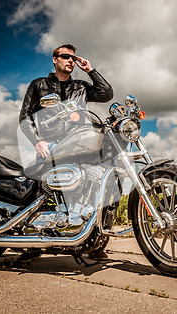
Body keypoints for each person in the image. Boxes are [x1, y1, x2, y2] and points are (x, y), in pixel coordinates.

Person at [19, 44, 113, 261]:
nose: (70, 60)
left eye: (73, 57)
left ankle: (92, 242)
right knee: (38, 192)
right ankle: (29, 244)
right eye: (65, 56)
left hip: (78, 145)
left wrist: (91, 70)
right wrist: (37, 141)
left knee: (90, 189)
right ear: (54, 59)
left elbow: (106, 93)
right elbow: (25, 116)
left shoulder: (80, 86)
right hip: (49, 145)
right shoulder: (39, 85)